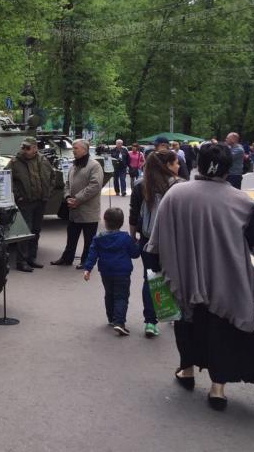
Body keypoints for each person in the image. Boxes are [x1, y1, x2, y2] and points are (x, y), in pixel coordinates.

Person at [146, 143, 254, 411]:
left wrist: (155, 269)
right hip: (225, 281)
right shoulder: (242, 201)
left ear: (197, 163)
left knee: (185, 324)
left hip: (182, 277)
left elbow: (156, 241)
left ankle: (186, 372)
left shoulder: (176, 194)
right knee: (221, 332)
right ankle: (217, 390)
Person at [128, 150, 183, 338]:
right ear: (166, 166)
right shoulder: (178, 186)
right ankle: (173, 314)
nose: (178, 166)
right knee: (174, 277)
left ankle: (150, 322)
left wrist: (132, 236)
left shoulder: (141, 185)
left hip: (147, 240)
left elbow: (134, 213)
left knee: (151, 278)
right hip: (173, 241)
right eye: (175, 163)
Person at [83, 207, 140, 336]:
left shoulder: (98, 238)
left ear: (105, 221)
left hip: (106, 272)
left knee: (109, 294)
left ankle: (111, 318)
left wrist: (88, 269)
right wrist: (137, 244)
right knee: (121, 296)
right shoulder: (125, 238)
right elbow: (135, 254)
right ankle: (119, 322)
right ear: (121, 222)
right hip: (122, 272)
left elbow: (92, 254)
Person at [51, 139, 103, 269]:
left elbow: (95, 186)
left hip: (88, 210)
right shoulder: (74, 165)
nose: (73, 150)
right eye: (73, 148)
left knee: (89, 239)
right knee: (72, 237)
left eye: (75, 148)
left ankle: (86, 261)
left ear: (84, 150)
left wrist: (77, 199)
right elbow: (67, 182)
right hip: (74, 209)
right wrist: (68, 196)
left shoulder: (94, 165)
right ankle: (67, 258)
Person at [8, 137, 56, 272]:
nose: (24, 150)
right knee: (25, 232)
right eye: (23, 147)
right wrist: (18, 196)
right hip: (25, 202)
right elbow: (6, 179)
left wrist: (48, 191)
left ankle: (31, 258)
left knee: (36, 230)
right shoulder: (15, 162)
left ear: (35, 148)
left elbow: (52, 176)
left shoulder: (43, 160)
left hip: (40, 200)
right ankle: (21, 261)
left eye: (27, 148)